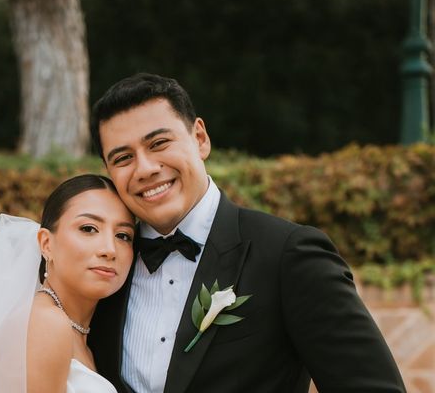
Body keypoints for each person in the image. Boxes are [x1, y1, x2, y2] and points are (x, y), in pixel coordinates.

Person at [87, 73, 405, 393]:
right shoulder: (103, 267)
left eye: (159, 143)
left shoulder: (288, 254)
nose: (145, 169)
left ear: (200, 138)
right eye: (123, 158)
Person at [0, 174, 136, 393]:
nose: (109, 249)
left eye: (123, 235)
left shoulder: (79, 331)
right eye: (88, 229)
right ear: (46, 244)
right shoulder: (46, 322)